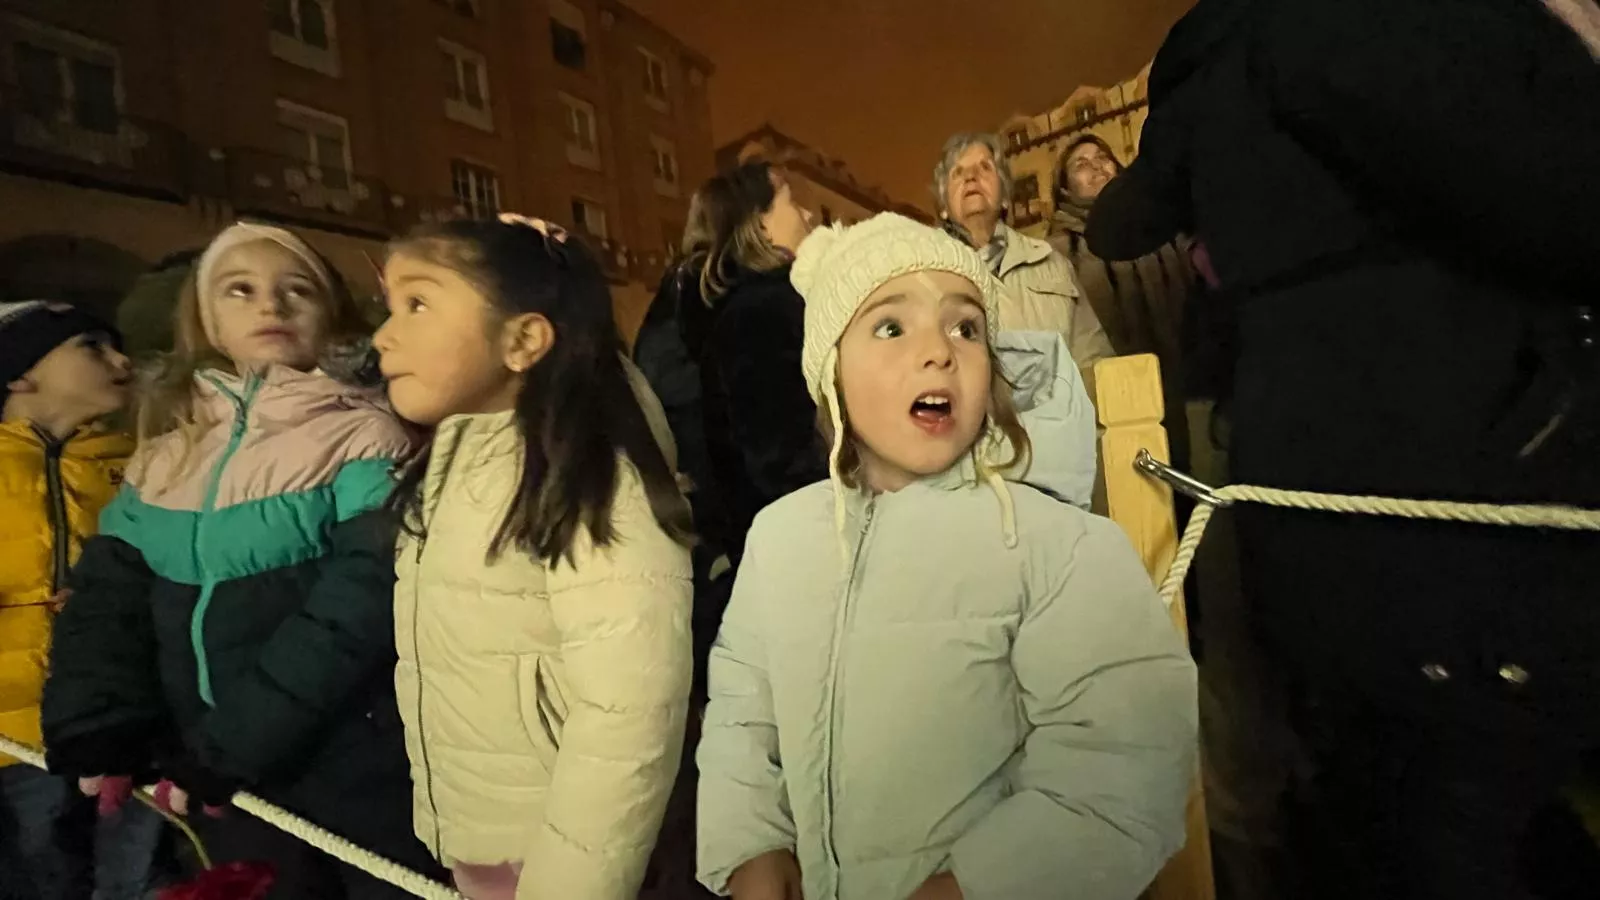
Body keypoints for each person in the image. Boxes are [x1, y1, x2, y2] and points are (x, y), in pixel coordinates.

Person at [1087, 1, 1600, 897]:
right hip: (1453, 495)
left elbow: (1135, 210)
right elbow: (1558, 190)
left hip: (1333, 487)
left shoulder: (1222, 61)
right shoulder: (1348, 29)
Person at [696, 213, 1197, 900]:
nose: (939, 351)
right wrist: (751, 841)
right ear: (829, 371)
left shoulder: (1058, 546)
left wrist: (976, 886)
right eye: (891, 326)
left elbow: (1124, 763)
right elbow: (741, 713)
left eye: (966, 327)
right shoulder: (781, 537)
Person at [40, 222, 441, 899]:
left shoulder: (365, 432)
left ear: (332, 317)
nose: (270, 306)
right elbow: (109, 597)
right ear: (207, 323)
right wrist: (101, 717)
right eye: (240, 290)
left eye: (297, 290)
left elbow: (362, 600)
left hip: (346, 764)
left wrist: (234, 741)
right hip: (217, 780)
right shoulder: (167, 453)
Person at [375, 216, 694, 900]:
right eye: (390, 307)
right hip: (477, 840)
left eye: (419, 303)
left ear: (523, 339)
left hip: (562, 861)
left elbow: (628, 713)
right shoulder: (445, 464)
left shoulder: (588, 477)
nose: (384, 334)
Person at [0, 302, 167, 900]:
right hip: (12, 747)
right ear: (20, 376)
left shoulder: (146, 462)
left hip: (120, 735)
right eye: (91, 347)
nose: (121, 361)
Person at [677, 161, 825, 577]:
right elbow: (781, 455)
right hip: (804, 553)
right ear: (759, 223)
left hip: (766, 544)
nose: (808, 215)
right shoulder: (765, 310)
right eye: (791, 202)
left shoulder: (730, 311)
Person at [1047, 134, 1195, 470]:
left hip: (1187, 390)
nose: (1096, 166)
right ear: (1065, 188)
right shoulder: (1056, 253)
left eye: (1103, 157)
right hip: (1116, 406)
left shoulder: (1161, 229)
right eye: (1080, 165)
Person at [933, 132, 1113, 365]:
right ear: (944, 206)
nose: (971, 177)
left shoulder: (1051, 262)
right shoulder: (927, 274)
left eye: (985, 167)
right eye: (958, 172)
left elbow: (1093, 355)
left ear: (1005, 197)